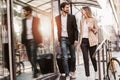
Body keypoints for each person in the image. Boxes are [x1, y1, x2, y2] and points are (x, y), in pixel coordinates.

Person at [55, 2, 78, 80]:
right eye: (66, 7)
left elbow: (75, 29)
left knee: (73, 56)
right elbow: (58, 30)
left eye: (68, 7)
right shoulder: (57, 18)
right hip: (63, 39)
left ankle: (72, 71)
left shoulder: (72, 17)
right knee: (64, 57)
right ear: (62, 8)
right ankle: (67, 74)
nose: (68, 9)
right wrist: (58, 40)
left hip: (71, 39)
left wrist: (76, 39)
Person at [21, 6, 42, 78]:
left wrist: (40, 41)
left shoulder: (36, 19)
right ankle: (37, 70)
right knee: (29, 57)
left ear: (29, 11)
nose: (23, 12)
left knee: (33, 56)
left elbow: (39, 30)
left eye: (24, 11)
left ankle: (35, 73)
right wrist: (22, 43)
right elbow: (23, 31)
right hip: (27, 41)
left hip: (34, 40)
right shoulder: (23, 20)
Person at [80, 6, 98, 80]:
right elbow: (81, 32)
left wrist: (92, 29)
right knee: (85, 59)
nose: (81, 11)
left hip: (92, 41)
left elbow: (96, 30)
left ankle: (96, 72)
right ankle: (87, 76)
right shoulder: (81, 20)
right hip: (83, 41)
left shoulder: (93, 19)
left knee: (93, 58)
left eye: (82, 10)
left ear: (86, 11)